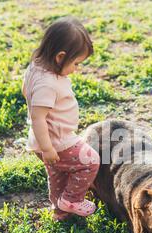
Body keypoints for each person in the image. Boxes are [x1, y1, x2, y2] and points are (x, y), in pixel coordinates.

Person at [21, 17, 100, 220]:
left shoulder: (35, 67)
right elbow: (38, 118)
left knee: (58, 172)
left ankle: (60, 209)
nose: (76, 68)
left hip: (43, 140)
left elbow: (25, 91)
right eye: (75, 63)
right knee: (89, 161)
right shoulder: (48, 83)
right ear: (60, 57)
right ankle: (72, 200)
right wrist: (48, 148)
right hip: (57, 141)